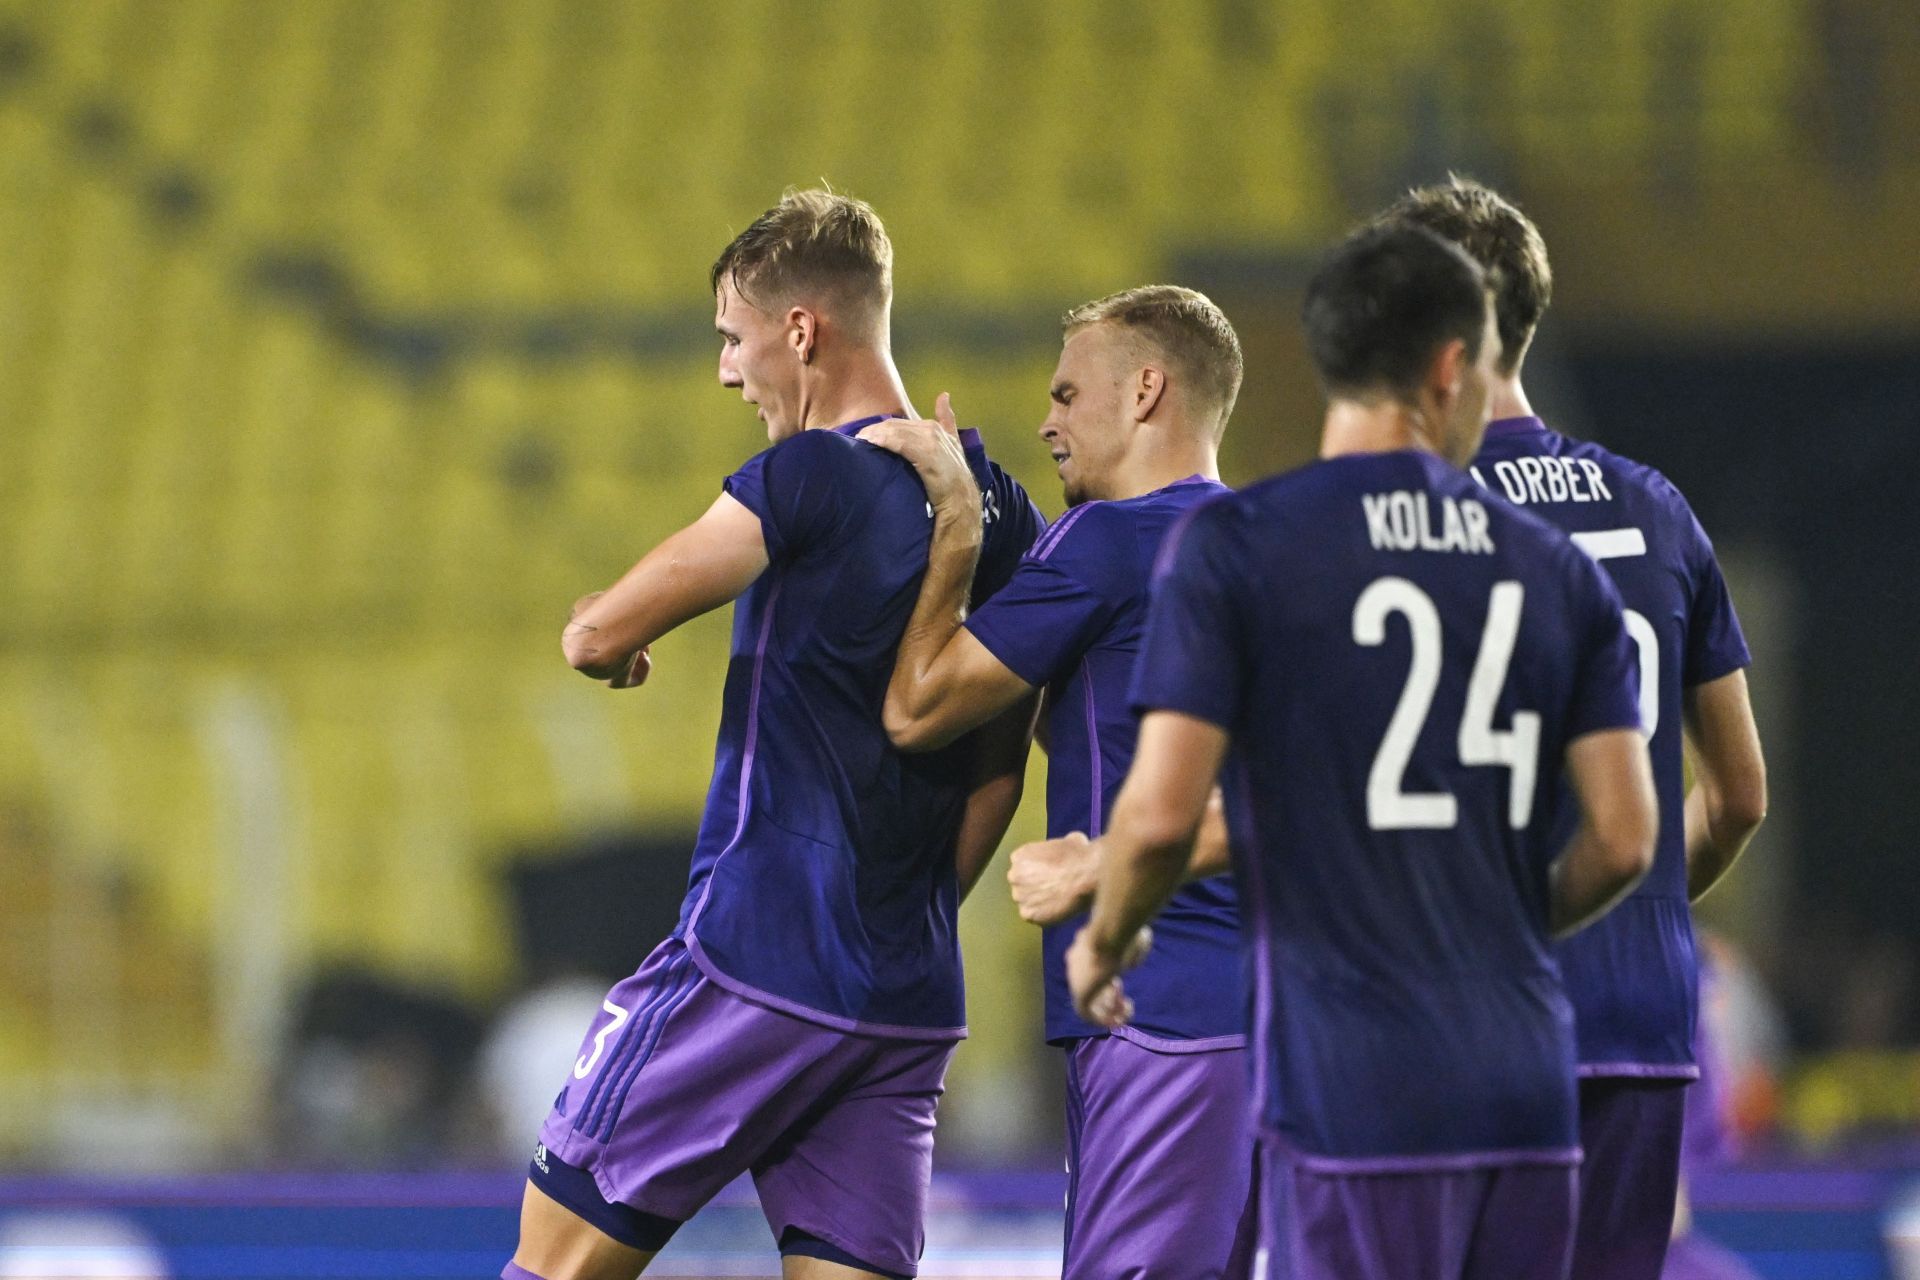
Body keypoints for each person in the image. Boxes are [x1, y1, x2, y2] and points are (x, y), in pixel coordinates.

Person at [1064, 222, 1659, 1280]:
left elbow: (1157, 816)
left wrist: (1105, 939)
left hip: (1352, 1073)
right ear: (1450, 369)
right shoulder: (1555, 568)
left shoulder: (1239, 545)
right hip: (1523, 1070)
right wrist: (1502, 925)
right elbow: (1623, 838)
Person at [504, 189, 1046, 1280]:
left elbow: (598, 628)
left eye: (731, 336)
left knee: (552, 1261)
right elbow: (999, 773)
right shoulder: (1005, 510)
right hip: (904, 999)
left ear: (799, 329)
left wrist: (605, 644)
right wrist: (907, 913)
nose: (725, 369)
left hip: (751, 959)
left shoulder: (811, 473)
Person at [1382, 177, 1768, 1280]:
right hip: (1641, 1010)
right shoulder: (1657, 507)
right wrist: (1622, 894)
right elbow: (1740, 794)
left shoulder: (1412, 517)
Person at [857, 285, 1254, 1278]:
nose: (1048, 420)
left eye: (1070, 393)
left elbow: (919, 703)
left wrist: (958, 527)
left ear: (1147, 391)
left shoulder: (1108, 540)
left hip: (1155, 1008)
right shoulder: (1276, 547)